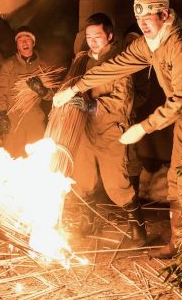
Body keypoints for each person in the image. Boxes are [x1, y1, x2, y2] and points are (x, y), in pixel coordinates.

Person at [53, 0, 182, 258]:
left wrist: (143, 127)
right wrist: (75, 89)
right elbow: (118, 64)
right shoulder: (151, 43)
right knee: (176, 179)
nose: (143, 25)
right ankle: (179, 243)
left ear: (165, 14)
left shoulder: (179, 44)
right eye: (139, 19)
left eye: (149, 18)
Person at [61, 13, 146, 243]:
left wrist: (91, 106)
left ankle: (138, 228)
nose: (93, 41)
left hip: (110, 129)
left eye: (97, 36)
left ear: (109, 36)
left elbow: (123, 101)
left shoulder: (120, 62)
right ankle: (88, 221)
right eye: (89, 36)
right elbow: (69, 88)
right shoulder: (82, 61)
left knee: (116, 183)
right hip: (85, 130)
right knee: (83, 178)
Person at [0, 26, 51, 158]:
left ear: (33, 42)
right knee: (13, 159)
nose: (24, 42)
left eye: (27, 39)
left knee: (37, 160)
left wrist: (42, 90)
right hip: (13, 121)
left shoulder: (43, 66)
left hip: (35, 121)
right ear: (17, 45)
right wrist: (1, 114)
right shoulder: (9, 65)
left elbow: (52, 95)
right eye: (20, 40)